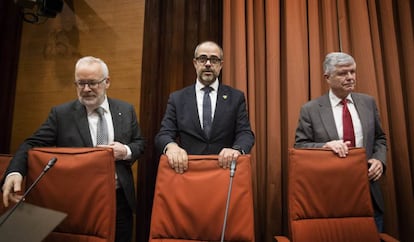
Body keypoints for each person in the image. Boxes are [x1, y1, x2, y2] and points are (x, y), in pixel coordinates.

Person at [2, 56, 145, 242]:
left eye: (92, 83)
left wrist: (125, 151)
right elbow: (31, 143)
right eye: (80, 83)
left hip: (118, 200)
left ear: (107, 82)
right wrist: (15, 171)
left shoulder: (125, 110)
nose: (86, 89)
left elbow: (140, 143)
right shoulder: (61, 114)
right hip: (79, 201)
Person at [294, 52, 387, 232]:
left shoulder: (368, 102)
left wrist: (379, 160)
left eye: (352, 72)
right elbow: (300, 146)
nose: (350, 77)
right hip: (331, 195)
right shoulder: (311, 110)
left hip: (368, 193)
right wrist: (325, 146)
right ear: (327, 77)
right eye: (343, 73)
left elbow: (380, 139)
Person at [155, 41, 255, 173]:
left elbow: (245, 133)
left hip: (223, 171)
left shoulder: (236, 97)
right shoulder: (177, 98)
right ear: (195, 63)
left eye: (214, 60)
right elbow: (164, 134)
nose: (208, 64)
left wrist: (236, 149)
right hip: (187, 171)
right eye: (203, 59)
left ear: (221, 65)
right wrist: (171, 146)